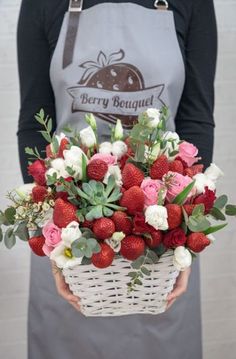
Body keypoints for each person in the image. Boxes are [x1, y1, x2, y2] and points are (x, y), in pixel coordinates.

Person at [17, 0, 217, 358]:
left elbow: (196, 121)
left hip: (160, 243)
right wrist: (49, 236)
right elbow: (34, 124)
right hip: (71, 247)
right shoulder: (41, 4)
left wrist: (185, 236)